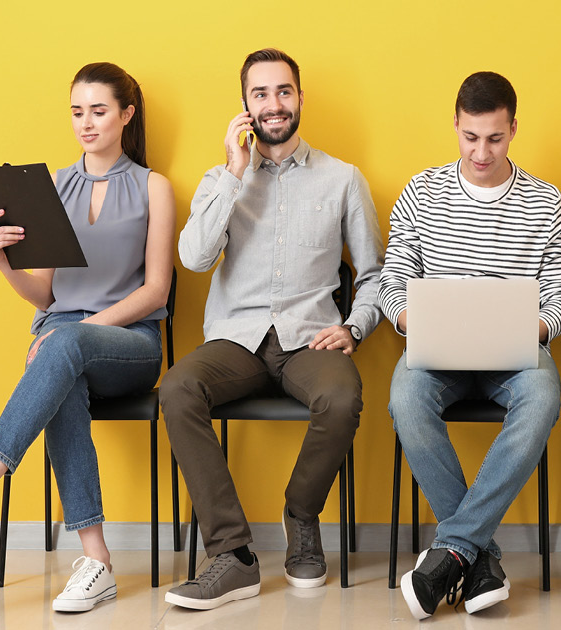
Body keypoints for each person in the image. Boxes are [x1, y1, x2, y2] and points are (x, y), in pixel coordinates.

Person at [0, 62, 174, 613]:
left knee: (62, 343)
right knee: (61, 371)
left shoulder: (152, 187)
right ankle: (97, 561)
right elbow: (45, 295)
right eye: (76, 112)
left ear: (126, 115)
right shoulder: (55, 187)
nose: (85, 123)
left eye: (98, 111)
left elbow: (156, 290)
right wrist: (1, 261)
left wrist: (77, 333)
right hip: (63, 345)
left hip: (130, 344)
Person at [160, 47, 384, 610]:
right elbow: (193, 258)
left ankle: (301, 515)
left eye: (283, 91)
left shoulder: (343, 179)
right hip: (235, 341)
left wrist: (355, 327)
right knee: (177, 388)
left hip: (309, 338)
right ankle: (233, 555)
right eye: (260, 94)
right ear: (245, 105)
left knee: (341, 396)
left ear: (300, 98)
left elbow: (374, 274)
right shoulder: (221, 179)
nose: (273, 104)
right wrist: (234, 173)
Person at [380, 71, 561, 620]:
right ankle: (478, 555)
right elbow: (392, 280)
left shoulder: (545, 200)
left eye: (494, 138)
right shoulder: (421, 192)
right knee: (405, 398)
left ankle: (450, 552)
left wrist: (532, 329)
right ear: (455, 126)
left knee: (542, 397)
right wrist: (411, 321)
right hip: (436, 350)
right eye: (470, 137)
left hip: (515, 352)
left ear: (514, 128)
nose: (482, 152)